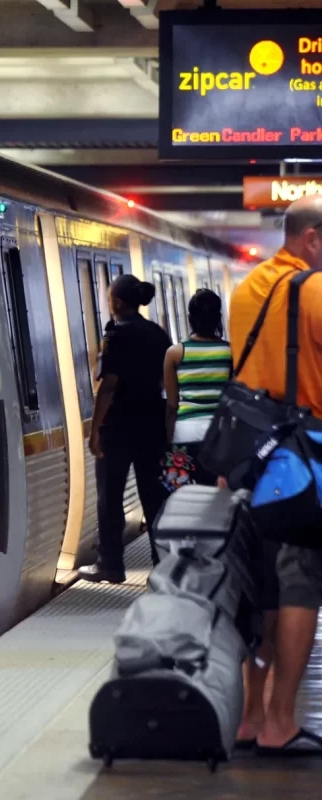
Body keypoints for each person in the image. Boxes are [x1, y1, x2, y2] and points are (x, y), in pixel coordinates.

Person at [228, 194, 322, 755]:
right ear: (312, 239)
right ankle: (280, 721)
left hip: (252, 458)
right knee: (301, 583)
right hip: (304, 461)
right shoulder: (312, 290)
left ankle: (249, 714)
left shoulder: (248, 289)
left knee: (260, 585)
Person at [78, 274, 171, 584]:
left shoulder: (116, 336)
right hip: (152, 426)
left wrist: (94, 430)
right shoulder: (158, 334)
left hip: (117, 428)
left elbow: (108, 386)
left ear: (117, 302)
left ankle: (111, 565)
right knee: (155, 498)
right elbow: (165, 382)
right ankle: (163, 566)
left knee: (110, 497)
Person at [161, 289, 232, 492]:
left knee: (184, 495)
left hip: (185, 432)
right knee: (218, 496)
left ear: (190, 318)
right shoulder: (230, 352)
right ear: (218, 318)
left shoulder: (175, 353)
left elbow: (172, 404)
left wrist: (168, 438)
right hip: (220, 433)